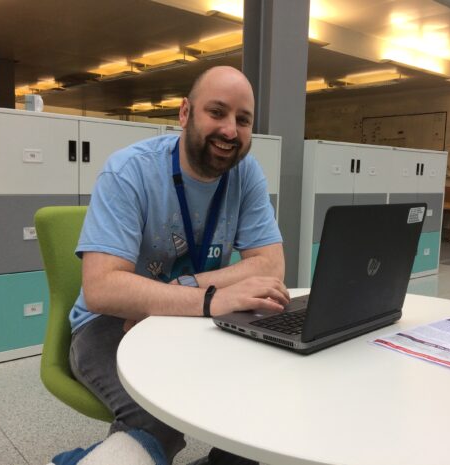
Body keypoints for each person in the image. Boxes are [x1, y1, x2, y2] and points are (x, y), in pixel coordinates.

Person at [66, 66, 290, 464]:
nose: (230, 130)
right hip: (109, 322)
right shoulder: (129, 171)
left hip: (195, 317)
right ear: (185, 113)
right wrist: (209, 299)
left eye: (243, 119)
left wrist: (183, 293)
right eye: (216, 112)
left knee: (265, 390)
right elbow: (102, 288)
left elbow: (269, 266)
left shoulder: (246, 174)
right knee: (156, 415)